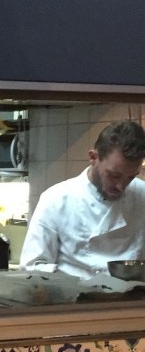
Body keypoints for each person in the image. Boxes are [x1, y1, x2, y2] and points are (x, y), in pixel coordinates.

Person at [20, 119, 145, 278]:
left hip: (133, 294)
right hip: (72, 293)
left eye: (130, 178)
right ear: (93, 158)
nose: (121, 186)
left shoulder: (142, 196)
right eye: (114, 175)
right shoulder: (56, 200)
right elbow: (32, 267)